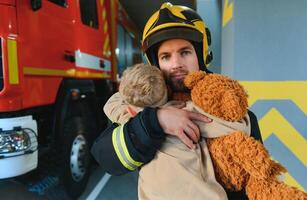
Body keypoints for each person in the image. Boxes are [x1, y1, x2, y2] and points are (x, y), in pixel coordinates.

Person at [91, 2, 262, 199]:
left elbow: (254, 184)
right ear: (156, 64)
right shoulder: (138, 106)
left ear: (201, 54)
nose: (176, 64)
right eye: (165, 56)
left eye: (185, 52)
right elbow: (105, 157)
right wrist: (155, 121)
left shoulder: (238, 115)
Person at [113, 63, 231, 200]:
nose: (176, 64)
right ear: (168, 90)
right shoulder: (187, 112)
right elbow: (238, 126)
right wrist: (158, 117)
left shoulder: (127, 119)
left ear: (130, 111)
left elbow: (112, 102)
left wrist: (150, 117)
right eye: (166, 57)